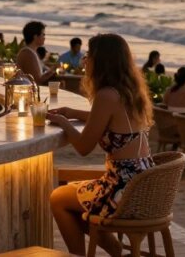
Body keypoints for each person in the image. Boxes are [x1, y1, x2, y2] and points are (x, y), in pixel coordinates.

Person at [48, 34, 154, 256]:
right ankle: (116, 251)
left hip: (123, 189)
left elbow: (83, 148)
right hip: (143, 182)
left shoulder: (106, 95)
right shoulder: (130, 92)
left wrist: (65, 123)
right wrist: (72, 112)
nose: (85, 60)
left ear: (101, 61)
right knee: (77, 197)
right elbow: (109, 119)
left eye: (89, 55)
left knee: (58, 198)